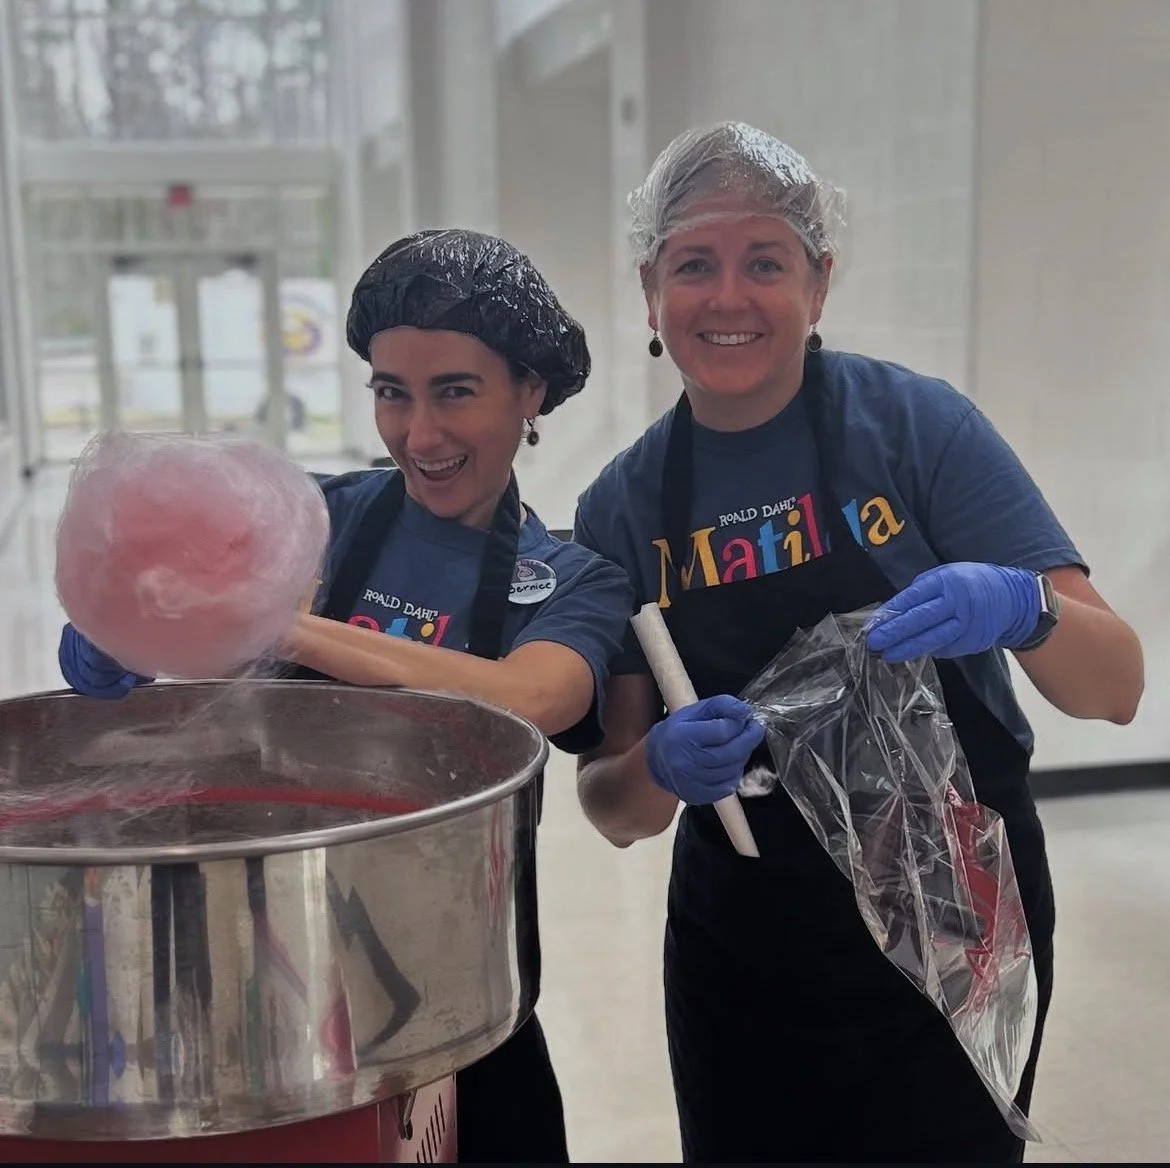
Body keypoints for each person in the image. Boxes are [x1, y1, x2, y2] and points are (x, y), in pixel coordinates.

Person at [572, 121, 1145, 1164]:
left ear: (819, 283)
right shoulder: (623, 505)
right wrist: (654, 767)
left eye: (767, 263)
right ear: (649, 287)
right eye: (695, 264)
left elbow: (1117, 687)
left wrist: (1026, 606)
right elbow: (611, 808)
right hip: (745, 937)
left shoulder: (917, 430)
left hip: (957, 911)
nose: (729, 297)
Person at [57, 227, 636, 1165]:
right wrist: (122, 638)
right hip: (263, 993)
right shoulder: (310, 521)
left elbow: (526, 698)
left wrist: (276, 624)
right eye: (391, 393)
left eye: (456, 391)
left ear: (530, 393)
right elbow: (159, 591)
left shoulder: (572, 581)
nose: (419, 434)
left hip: (462, 1001)